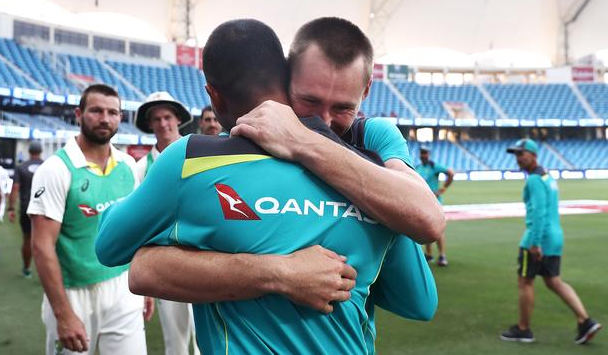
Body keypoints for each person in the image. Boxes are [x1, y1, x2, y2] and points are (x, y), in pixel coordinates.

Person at [96, 19, 437, 354]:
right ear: (289, 79)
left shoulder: (193, 160)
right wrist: (281, 273)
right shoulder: (373, 165)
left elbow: (117, 251)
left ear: (213, 95)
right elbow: (419, 302)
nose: (325, 120)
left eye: (342, 107)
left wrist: (304, 144)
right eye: (312, 102)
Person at [27, 84, 154, 355]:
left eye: (113, 112)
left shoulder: (128, 166)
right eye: (96, 111)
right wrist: (63, 314)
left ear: (121, 117)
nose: (105, 119)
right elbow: (42, 246)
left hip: (122, 288)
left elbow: (134, 232)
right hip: (73, 294)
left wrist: (144, 285)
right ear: (78, 114)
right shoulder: (55, 169)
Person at [500, 138, 602, 344]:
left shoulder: (534, 180)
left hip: (539, 238)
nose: (517, 159)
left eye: (521, 154)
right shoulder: (548, 178)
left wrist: (535, 242)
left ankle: (523, 329)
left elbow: (539, 213)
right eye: (516, 155)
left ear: (533, 155)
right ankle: (585, 320)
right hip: (555, 237)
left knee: (525, 281)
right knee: (554, 281)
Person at [134, 91, 199, 355]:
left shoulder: (201, 153)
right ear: (150, 124)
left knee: (207, 336)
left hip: (203, 257)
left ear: (178, 119)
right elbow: (137, 222)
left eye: (167, 117)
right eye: (157, 118)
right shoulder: (140, 167)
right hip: (164, 261)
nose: (163, 124)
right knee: (175, 341)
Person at [8, 141, 44, 278]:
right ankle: (46, 272)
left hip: (27, 207)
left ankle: (27, 269)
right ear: (41, 151)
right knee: (49, 240)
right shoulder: (48, 165)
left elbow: (15, 188)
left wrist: (11, 208)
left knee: (27, 239)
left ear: (29, 151)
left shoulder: (21, 167)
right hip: (47, 206)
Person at [416, 146, 454, 266]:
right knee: (426, 228)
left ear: (429, 154)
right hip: (422, 202)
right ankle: (429, 254)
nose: (423, 155)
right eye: (422, 153)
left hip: (434, 202)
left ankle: (442, 255)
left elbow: (451, 173)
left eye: (425, 153)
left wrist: (443, 188)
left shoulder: (434, 166)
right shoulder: (418, 168)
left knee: (438, 230)